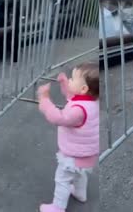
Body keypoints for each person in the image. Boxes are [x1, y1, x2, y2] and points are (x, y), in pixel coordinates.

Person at [37, 62, 99, 212]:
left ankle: (57, 207)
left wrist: (45, 100)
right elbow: (73, 96)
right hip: (86, 154)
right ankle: (79, 193)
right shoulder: (91, 101)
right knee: (80, 174)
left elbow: (59, 118)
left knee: (62, 179)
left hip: (73, 155)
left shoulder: (78, 111)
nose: (70, 80)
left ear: (84, 89)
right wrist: (65, 84)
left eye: (72, 79)